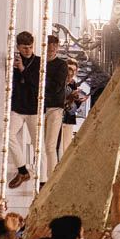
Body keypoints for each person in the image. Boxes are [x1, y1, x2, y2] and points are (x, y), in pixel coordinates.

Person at [8, 30, 40, 188]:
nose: (28, 50)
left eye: (30, 47)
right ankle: (22, 170)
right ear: (18, 48)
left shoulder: (39, 62)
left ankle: (43, 179)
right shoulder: (13, 62)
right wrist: (13, 68)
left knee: (39, 144)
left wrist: (22, 69)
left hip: (34, 109)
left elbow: (37, 85)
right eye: (24, 48)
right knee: (7, 135)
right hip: (18, 108)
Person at [41, 34, 70, 182]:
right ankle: (41, 177)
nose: (51, 51)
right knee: (39, 145)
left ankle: (51, 179)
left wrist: (40, 83)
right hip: (39, 108)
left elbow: (56, 87)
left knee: (50, 146)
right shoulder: (39, 63)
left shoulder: (61, 65)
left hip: (54, 108)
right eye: (49, 48)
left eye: (54, 48)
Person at [59, 57, 90, 160]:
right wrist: (71, 98)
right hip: (57, 117)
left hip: (68, 119)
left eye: (74, 70)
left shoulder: (73, 84)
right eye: (69, 69)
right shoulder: (59, 82)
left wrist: (78, 101)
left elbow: (72, 109)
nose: (71, 72)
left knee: (66, 149)